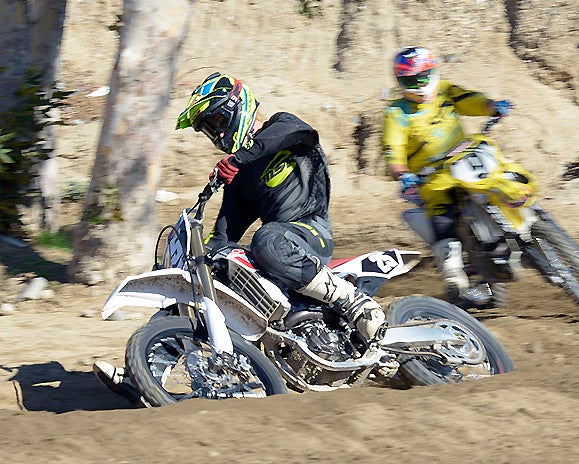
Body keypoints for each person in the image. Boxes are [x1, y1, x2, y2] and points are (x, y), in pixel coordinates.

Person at [94, 72, 386, 402]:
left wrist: (239, 158)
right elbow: (224, 235)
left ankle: (354, 303)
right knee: (212, 270)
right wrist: (198, 262)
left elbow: (291, 134)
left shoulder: (285, 127)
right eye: (209, 128)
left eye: (218, 120)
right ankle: (145, 373)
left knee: (266, 239)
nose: (217, 133)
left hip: (309, 234)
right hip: (277, 247)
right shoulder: (240, 178)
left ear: (238, 106)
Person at [382, 46, 513, 304]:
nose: (419, 85)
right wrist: (403, 174)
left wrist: (492, 106)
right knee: (442, 213)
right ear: (400, 82)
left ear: (432, 72)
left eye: (422, 77)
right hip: (431, 176)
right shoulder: (396, 112)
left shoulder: (445, 90)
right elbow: (393, 149)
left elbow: (471, 100)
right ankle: (455, 276)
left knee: (502, 176)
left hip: (465, 159)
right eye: (410, 80)